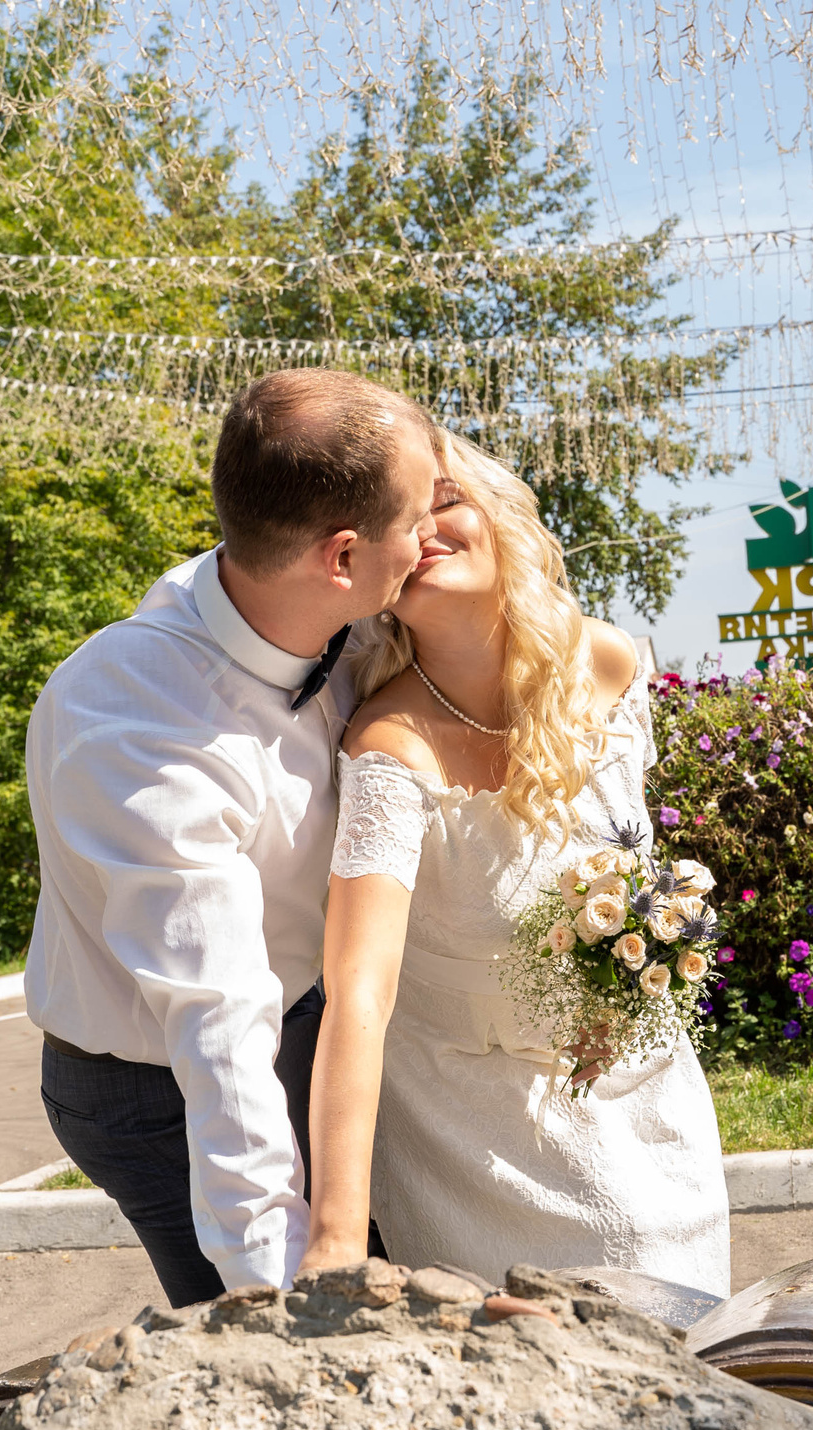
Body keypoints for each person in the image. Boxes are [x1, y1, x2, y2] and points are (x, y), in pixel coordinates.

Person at [21, 369, 439, 1305]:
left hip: (299, 1019)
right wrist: (290, 1306)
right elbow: (216, 1028)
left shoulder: (318, 607)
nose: (431, 539)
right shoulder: (136, 727)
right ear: (341, 559)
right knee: (261, 1317)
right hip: (149, 1084)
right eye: (416, 520)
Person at [299, 431, 732, 1294]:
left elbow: (630, 863)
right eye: (399, 519)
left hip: (644, 1102)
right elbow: (359, 987)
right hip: (476, 1137)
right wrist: (337, 1236)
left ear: (503, 518)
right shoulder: (389, 746)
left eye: (446, 502)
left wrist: (629, 976)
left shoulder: (605, 661)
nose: (424, 531)